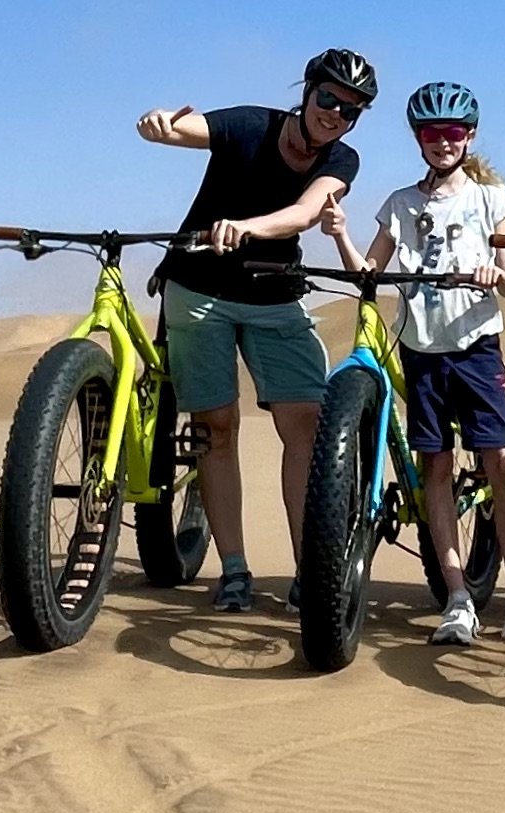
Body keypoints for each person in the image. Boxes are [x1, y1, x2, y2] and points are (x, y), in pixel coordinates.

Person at [138, 49, 376, 613]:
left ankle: (309, 572)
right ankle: (236, 571)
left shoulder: (342, 159)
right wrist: (159, 125)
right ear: (308, 91)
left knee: (307, 426)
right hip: (198, 291)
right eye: (328, 98)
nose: (336, 114)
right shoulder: (250, 124)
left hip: (274, 295)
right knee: (215, 427)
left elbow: (305, 212)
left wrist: (247, 227)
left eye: (350, 109)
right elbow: (186, 130)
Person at [350, 81, 505, 653]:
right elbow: (369, 272)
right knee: (434, 468)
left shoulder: (492, 199)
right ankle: (457, 597)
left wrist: (496, 274)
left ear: (470, 136)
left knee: (501, 463)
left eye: (453, 132)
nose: (443, 142)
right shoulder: (399, 204)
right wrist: (341, 235)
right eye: (432, 133)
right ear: (418, 138)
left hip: (477, 348)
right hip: (421, 351)